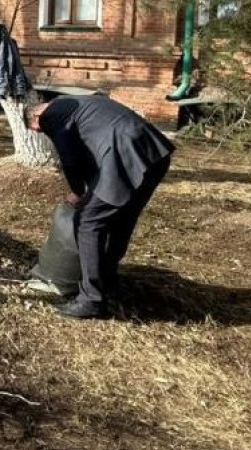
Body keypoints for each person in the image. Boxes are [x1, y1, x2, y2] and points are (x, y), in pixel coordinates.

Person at [25, 95, 176, 319]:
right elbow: (90, 149)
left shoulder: (52, 115)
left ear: (36, 115)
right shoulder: (79, 104)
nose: (40, 132)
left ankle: (91, 300)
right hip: (154, 151)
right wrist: (89, 188)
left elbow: (69, 157)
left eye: (36, 128)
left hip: (125, 152)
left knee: (88, 223)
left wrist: (78, 192)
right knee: (122, 218)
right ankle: (107, 281)